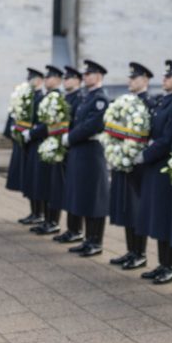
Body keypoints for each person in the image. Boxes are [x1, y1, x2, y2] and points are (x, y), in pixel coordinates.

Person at [138, 60, 172, 284]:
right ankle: (162, 264)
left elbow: (168, 139)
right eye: (165, 76)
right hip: (154, 166)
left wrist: (145, 155)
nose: (165, 79)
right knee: (158, 217)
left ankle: (171, 266)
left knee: (166, 217)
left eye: (170, 76)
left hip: (166, 166)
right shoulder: (162, 101)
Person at [62, 60, 110, 256]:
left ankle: (95, 241)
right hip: (80, 151)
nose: (85, 77)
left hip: (91, 152)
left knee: (94, 198)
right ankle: (87, 238)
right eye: (85, 74)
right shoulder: (86, 97)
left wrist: (70, 137)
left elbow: (92, 125)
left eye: (89, 74)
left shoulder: (100, 99)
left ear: (98, 76)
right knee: (83, 195)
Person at [109, 62, 154, 270]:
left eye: (134, 78)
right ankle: (130, 251)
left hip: (140, 164)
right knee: (127, 208)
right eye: (130, 78)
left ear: (144, 80)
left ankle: (140, 253)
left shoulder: (150, 103)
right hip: (124, 160)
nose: (130, 81)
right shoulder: (126, 102)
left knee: (137, 209)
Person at [29, 66, 67, 235]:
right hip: (46, 144)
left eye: (50, 77)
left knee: (52, 186)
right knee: (44, 183)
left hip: (53, 145)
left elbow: (51, 125)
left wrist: (32, 132)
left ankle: (53, 221)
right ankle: (46, 219)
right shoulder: (49, 96)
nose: (47, 80)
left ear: (58, 79)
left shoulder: (57, 97)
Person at [53, 65, 86, 244]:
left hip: (73, 145)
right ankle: (71, 228)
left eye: (68, 78)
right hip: (66, 147)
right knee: (69, 190)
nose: (65, 81)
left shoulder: (79, 98)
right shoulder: (68, 98)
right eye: (64, 78)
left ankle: (76, 229)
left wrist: (68, 138)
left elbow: (76, 124)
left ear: (77, 80)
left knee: (75, 191)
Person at [8, 67, 44, 223]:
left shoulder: (41, 97)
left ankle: (39, 213)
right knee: (30, 179)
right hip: (28, 141)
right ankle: (34, 212)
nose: (30, 82)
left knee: (37, 180)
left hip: (36, 140)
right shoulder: (29, 96)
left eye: (32, 79)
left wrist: (31, 132)